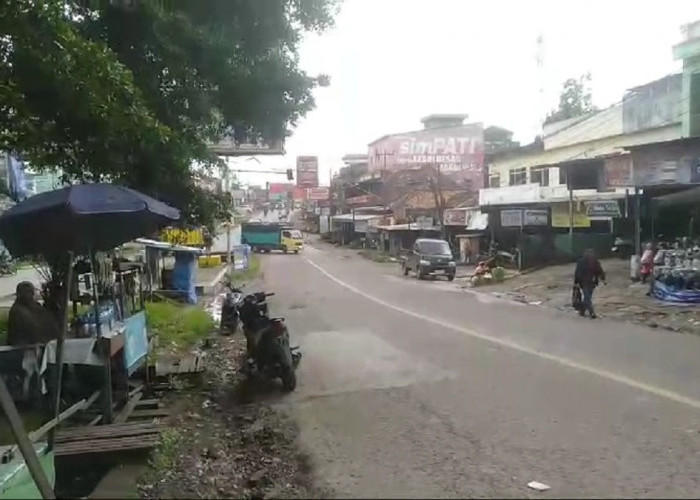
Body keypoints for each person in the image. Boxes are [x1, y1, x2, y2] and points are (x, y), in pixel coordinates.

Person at [7, 281, 59, 346]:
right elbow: (33, 328)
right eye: (27, 292)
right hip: (23, 348)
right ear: (19, 294)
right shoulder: (17, 311)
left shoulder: (34, 305)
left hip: (39, 345)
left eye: (32, 292)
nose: (31, 295)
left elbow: (49, 320)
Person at [573, 249, 606, 319]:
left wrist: (576, 282)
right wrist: (603, 279)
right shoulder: (594, 261)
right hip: (590, 282)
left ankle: (582, 310)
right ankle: (591, 312)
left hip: (586, 282)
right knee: (587, 297)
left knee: (587, 297)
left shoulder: (582, 261)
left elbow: (577, 272)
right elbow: (600, 271)